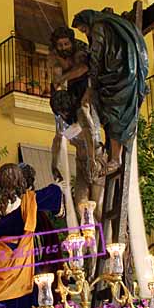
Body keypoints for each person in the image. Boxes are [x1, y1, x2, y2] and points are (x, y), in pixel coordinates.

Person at [0, 164, 63, 308]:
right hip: (20, 261)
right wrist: (57, 185)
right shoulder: (27, 201)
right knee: (24, 296)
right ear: (18, 180)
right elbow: (51, 194)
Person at [71, 9, 149, 174]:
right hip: (127, 74)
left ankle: (115, 159)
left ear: (88, 22)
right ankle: (114, 155)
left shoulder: (99, 27)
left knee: (113, 114)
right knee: (114, 114)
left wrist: (91, 85)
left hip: (119, 78)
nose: (86, 34)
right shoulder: (113, 23)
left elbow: (96, 56)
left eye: (84, 30)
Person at [48, 27, 105, 223]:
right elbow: (58, 139)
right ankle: (91, 249)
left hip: (95, 159)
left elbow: (89, 133)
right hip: (81, 163)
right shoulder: (63, 120)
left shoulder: (81, 112)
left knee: (97, 211)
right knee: (81, 207)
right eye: (60, 45)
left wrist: (91, 160)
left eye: (66, 44)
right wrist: (54, 163)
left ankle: (108, 245)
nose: (64, 47)